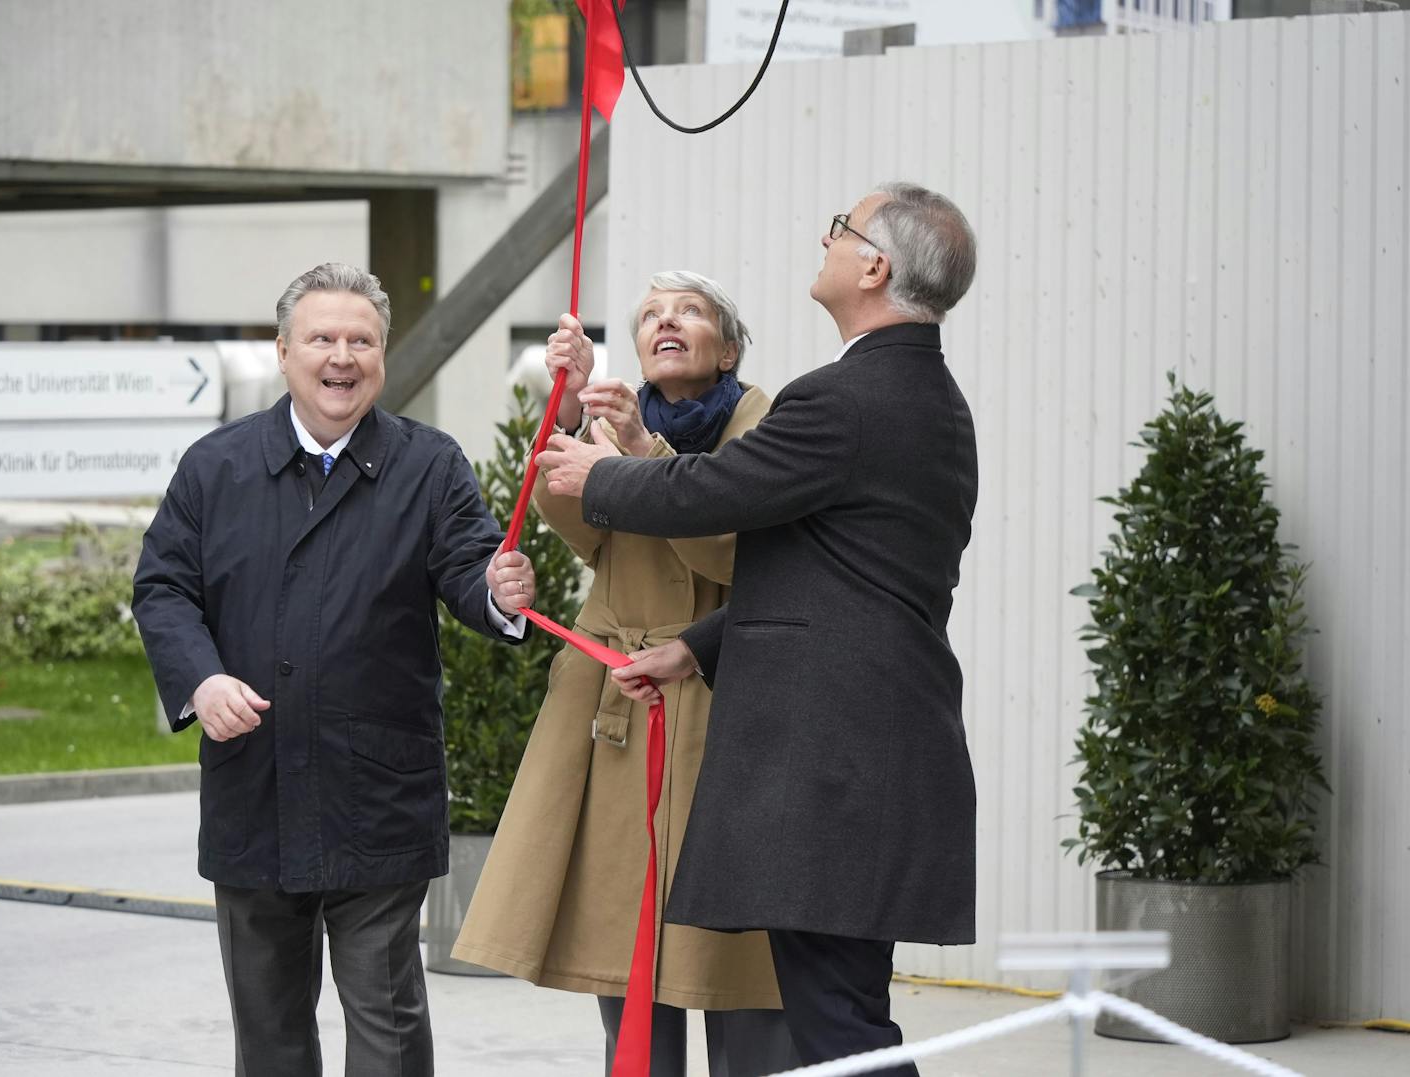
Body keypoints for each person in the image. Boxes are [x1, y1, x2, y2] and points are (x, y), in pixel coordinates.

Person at [536, 183, 980, 1073]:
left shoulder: (844, 398)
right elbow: (835, 584)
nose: (825, 238)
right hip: (872, 761)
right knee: (845, 1019)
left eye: (840, 229)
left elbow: (715, 491)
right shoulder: (923, 395)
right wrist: (694, 648)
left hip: (835, 773)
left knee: (841, 1038)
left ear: (874, 264)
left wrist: (599, 469)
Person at [132, 263, 536, 1077]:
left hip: (377, 794)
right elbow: (163, 587)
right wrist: (202, 679)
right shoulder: (217, 467)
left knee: (387, 1027)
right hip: (255, 788)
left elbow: (470, 569)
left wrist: (497, 591)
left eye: (362, 340)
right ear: (284, 352)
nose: (342, 356)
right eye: (322, 338)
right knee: (269, 1033)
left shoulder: (430, 465)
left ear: (382, 357)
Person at [453, 272, 800, 1076]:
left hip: (730, 710)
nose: (665, 322)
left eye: (689, 311)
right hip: (626, 708)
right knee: (631, 977)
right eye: (649, 315)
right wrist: (572, 408)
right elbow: (581, 526)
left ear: (730, 347)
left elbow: (741, 549)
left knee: (742, 980)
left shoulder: (767, 421)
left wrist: (641, 455)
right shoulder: (616, 413)